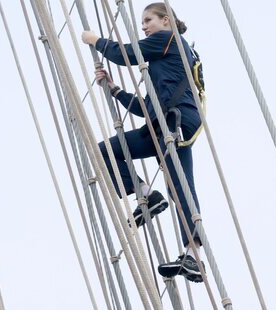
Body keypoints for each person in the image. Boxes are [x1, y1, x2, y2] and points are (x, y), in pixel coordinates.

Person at [82, 2, 204, 283]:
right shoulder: (162, 65)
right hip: (160, 124)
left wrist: (95, 40)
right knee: (105, 151)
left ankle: (194, 255)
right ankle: (147, 195)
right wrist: (114, 90)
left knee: (181, 185)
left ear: (166, 21)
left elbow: (124, 54)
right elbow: (146, 109)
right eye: (143, 22)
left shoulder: (169, 40)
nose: (144, 26)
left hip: (177, 124)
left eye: (148, 20)